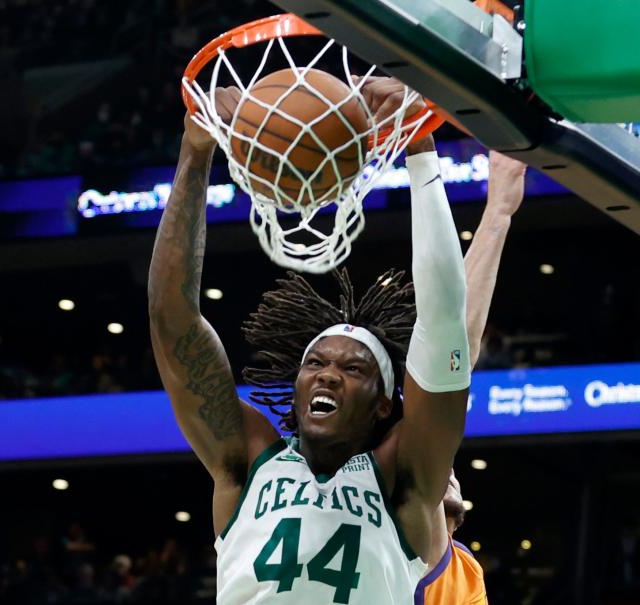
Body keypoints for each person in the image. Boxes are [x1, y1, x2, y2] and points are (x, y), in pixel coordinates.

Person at [148, 76, 471, 603]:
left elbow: (443, 323)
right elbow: (172, 319)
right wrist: (195, 152)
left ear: (384, 403)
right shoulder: (246, 458)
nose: (327, 373)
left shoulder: (402, 477)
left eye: (353, 369)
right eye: (316, 362)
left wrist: (419, 148)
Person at [417, 151, 528, 605]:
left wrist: (500, 207)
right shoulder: (387, 525)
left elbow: (452, 349)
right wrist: (498, 210)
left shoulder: (466, 576)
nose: (451, 474)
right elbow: (452, 347)